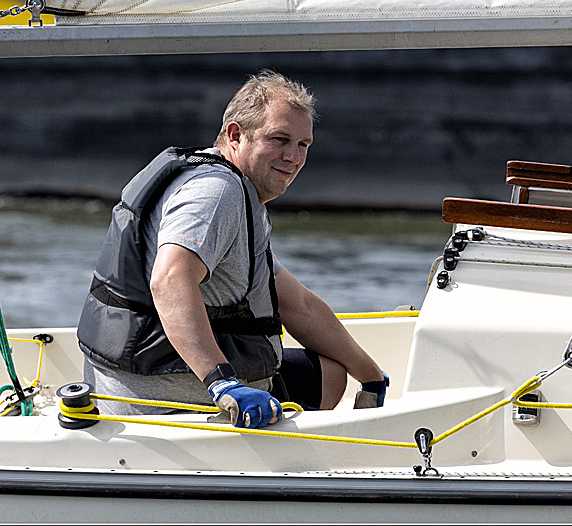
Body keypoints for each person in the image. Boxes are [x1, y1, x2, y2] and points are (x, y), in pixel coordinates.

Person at [78, 70, 388, 429]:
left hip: (135, 382)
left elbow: (296, 304)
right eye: (279, 139)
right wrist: (221, 382)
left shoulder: (235, 191)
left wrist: (371, 376)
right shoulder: (217, 193)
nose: (293, 157)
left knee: (332, 372)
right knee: (326, 378)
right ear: (236, 135)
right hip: (168, 404)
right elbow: (170, 280)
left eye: (303, 144)